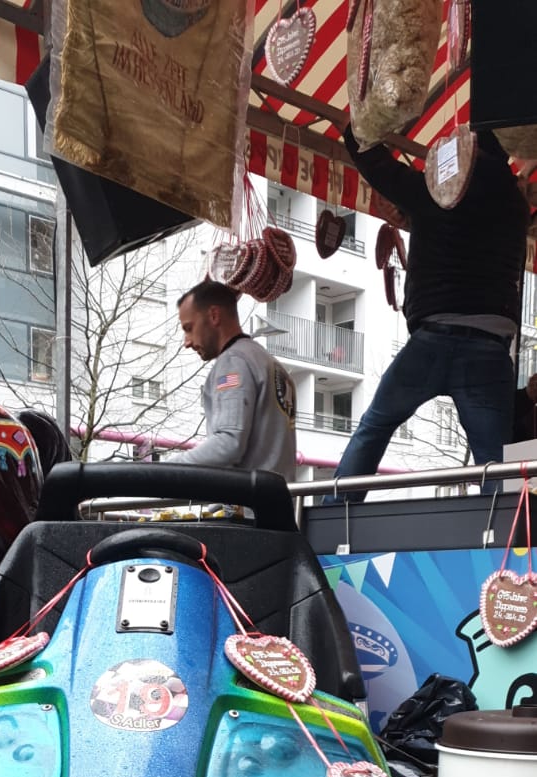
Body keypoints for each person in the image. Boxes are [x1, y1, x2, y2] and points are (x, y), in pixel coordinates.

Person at [326, 125, 531, 501]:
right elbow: (472, 233)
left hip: (432, 338)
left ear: (466, 150)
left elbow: (380, 168)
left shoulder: (438, 189)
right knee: (495, 461)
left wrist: (355, 128)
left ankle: (334, 515)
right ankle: (508, 532)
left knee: (376, 426)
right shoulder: (516, 206)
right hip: (490, 346)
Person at [175, 278, 297, 479]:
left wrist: (165, 470)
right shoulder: (269, 363)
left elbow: (228, 443)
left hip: (246, 497)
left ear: (214, 315)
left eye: (189, 328)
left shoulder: (233, 362)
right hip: (277, 494)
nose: (186, 342)